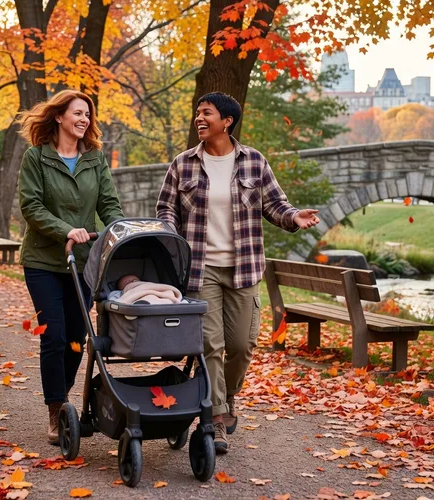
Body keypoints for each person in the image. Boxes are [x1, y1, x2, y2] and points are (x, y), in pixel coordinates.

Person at [156, 92, 320, 454]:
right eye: (198, 112)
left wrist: (294, 216)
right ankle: (215, 417)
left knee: (242, 346)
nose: (199, 118)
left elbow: (275, 204)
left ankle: (227, 395)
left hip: (243, 269)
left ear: (227, 121)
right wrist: (169, 233)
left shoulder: (254, 162)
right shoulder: (183, 164)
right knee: (211, 346)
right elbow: (166, 207)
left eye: (207, 113)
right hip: (200, 270)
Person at [18, 89, 125, 445]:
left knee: (78, 338)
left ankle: (62, 396)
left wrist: (121, 232)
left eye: (87, 114)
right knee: (54, 336)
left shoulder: (95, 159)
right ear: (59, 116)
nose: (84, 119)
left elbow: (108, 204)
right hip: (44, 261)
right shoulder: (36, 158)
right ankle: (56, 407)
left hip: (83, 261)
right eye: (77, 113)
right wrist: (65, 229)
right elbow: (31, 207)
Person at [108, 275, 184, 305]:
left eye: (134, 280)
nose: (132, 282)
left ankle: (171, 301)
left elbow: (160, 288)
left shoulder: (148, 284)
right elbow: (114, 300)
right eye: (127, 283)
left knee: (168, 293)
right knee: (148, 298)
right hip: (139, 298)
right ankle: (145, 303)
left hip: (157, 293)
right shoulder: (119, 293)